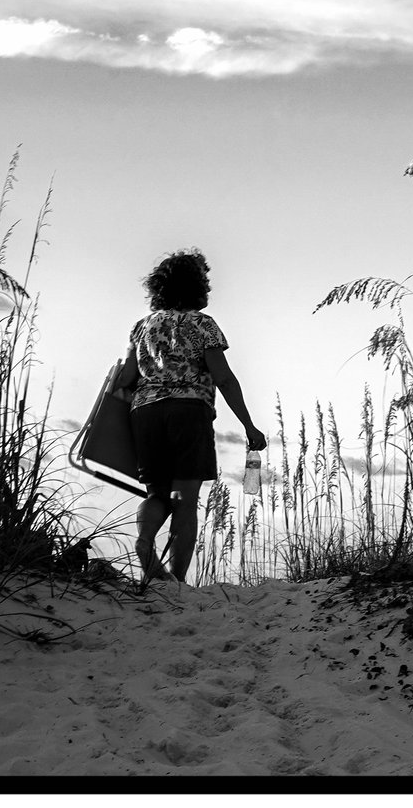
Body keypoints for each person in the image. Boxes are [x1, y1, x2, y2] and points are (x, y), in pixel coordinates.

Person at [111, 248, 265, 583]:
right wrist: (249, 425)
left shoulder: (142, 327)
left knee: (156, 494)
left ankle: (144, 540)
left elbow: (125, 379)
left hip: (146, 412)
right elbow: (224, 378)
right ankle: (177, 581)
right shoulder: (203, 324)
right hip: (189, 411)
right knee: (184, 499)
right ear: (197, 286)